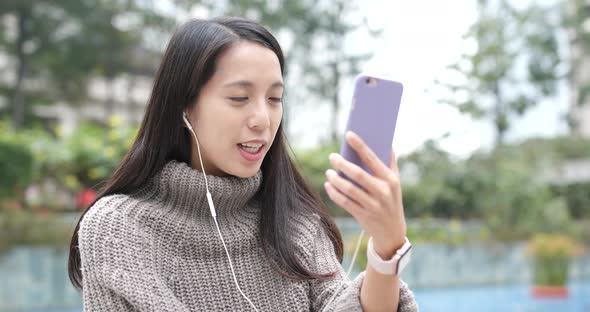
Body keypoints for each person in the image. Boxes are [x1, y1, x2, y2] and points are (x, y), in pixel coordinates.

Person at [67, 16, 418, 312]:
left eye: (275, 99)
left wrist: (386, 251)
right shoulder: (120, 228)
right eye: (240, 98)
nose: (262, 120)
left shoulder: (297, 228)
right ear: (185, 106)